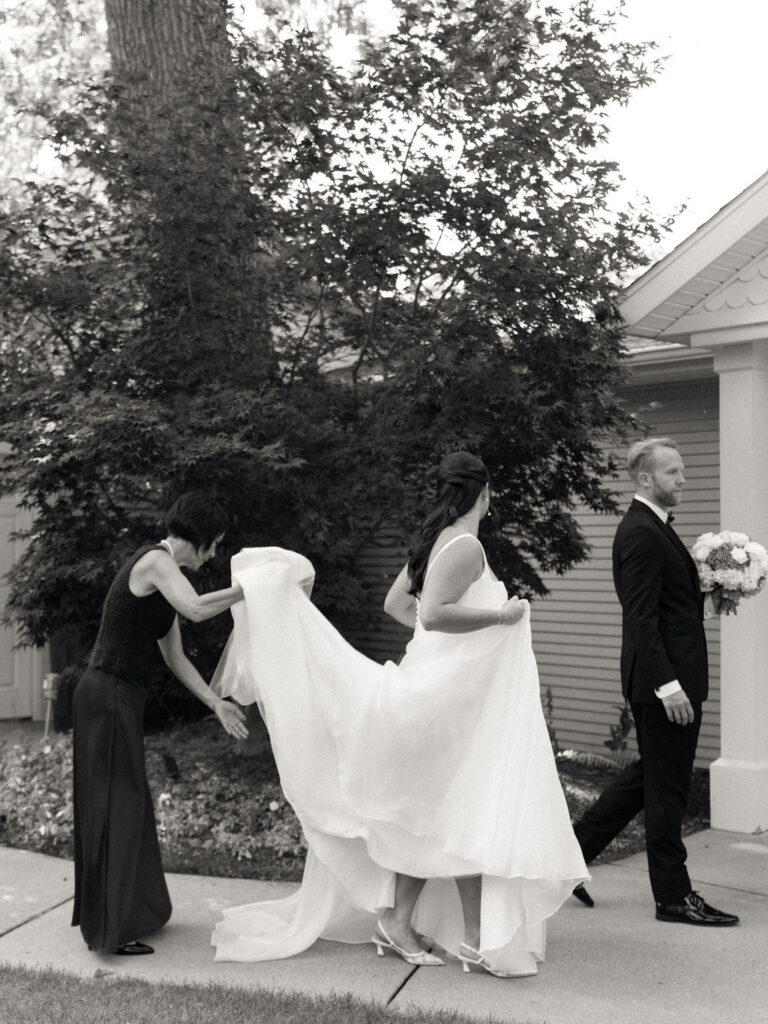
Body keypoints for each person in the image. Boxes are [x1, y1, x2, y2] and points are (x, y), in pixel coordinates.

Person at [211, 452, 588, 977]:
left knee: (442, 816)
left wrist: (452, 653)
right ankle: (461, 934)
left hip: (447, 697)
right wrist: (500, 615)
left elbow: (398, 606)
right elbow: (432, 614)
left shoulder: (438, 542)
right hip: (439, 703)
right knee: (456, 811)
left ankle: (419, 925)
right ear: (484, 493)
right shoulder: (466, 546)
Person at [72, 492, 249, 956]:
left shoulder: (166, 580)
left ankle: (132, 914)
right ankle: (110, 931)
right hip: (106, 694)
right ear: (196, 537)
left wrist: (215, 703)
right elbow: (195, 609)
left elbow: (173, 656)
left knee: (128, 805)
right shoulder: (156, 561)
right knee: (119, 806)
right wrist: (254, 588)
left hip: (118, 698)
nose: (213, 555)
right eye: (213, 545)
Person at [572, 438, 739, 926]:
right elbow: (641, 617)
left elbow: (665, 609)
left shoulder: (654, 527)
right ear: (646, 479)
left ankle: (569, 857)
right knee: (668, 792)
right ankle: (673, 897)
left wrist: (709, 598)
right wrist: (669, 686)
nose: (683, 479)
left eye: (682, 470)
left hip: (668, 677)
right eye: (672, 472)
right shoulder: (642, 533)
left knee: (648, 778)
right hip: (664, 686)